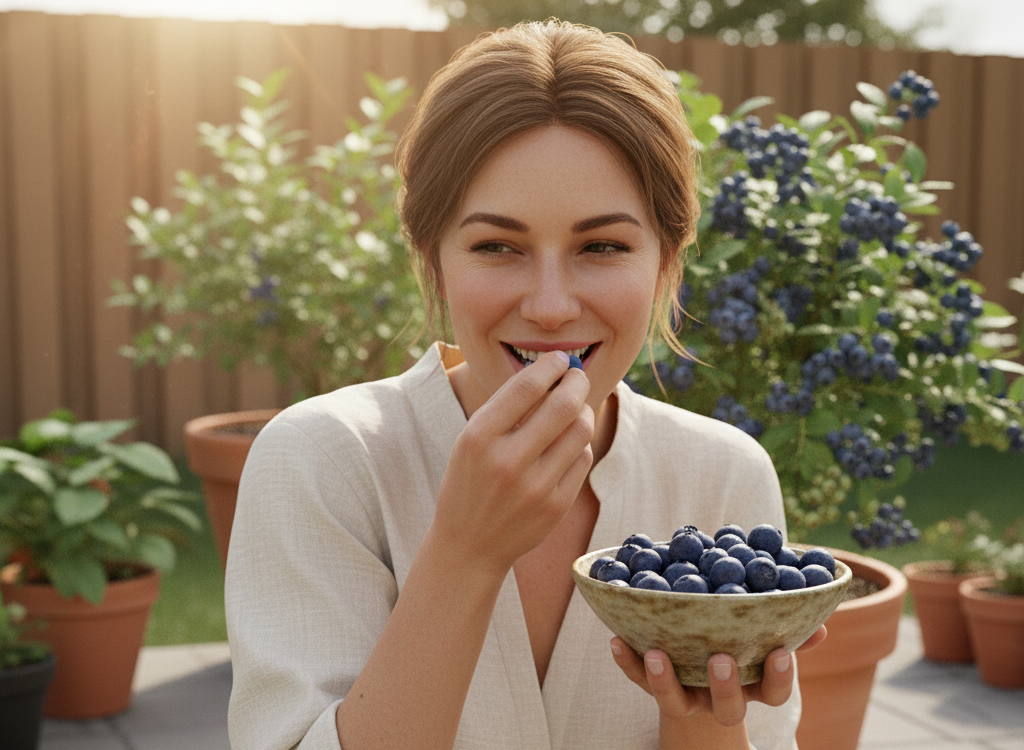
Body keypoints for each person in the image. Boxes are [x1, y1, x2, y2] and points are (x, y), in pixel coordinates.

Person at [225, 20, 823, 750]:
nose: (549, 306)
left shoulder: (721, 476)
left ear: (667, 261)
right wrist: (465, 552)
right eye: (497, 246)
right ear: (434, 258)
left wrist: (699, 718)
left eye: (601, 245)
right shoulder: (323, 460)